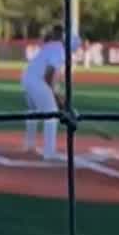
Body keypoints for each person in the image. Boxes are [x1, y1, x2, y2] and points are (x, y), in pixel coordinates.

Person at [20, 28, 75, 161]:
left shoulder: (51, 46)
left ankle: (29, 145)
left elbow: (51, 75)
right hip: (38, 81)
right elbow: (48, 75)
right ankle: (49, 153)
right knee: (52, 115)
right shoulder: (60, 50)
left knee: (33, 112)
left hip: (27, 79)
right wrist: (55, 95)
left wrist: (56, 94)